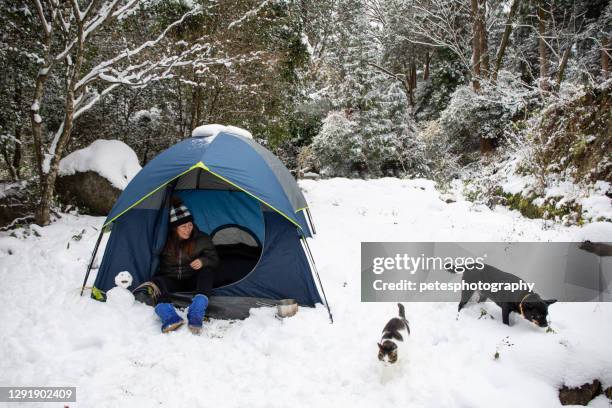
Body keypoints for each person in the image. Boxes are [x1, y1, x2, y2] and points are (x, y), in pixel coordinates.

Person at [150, 197, 219, 334]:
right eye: (183, 226)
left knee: (207, 272)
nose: (188, 229)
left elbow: (215, 259)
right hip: (172, 279)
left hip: (193, 279)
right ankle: (169, 316)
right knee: (156, 282)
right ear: (174, 228)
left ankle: (197, 310)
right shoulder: (163, 240)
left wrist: (203, 261)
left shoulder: (202, 239)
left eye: (190, 224)